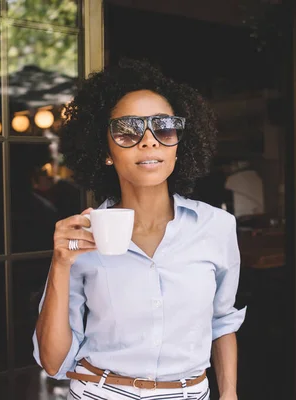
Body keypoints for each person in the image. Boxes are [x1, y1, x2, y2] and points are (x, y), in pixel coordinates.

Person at [33, 59, 246, 400]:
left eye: (163, 128)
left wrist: (230, 394)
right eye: (128, 130)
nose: (148, 141)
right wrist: (60, 265)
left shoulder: (216, 226)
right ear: (105, 151)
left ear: (179, 143)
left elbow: (221, 321)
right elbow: (53, 361)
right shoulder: (82, 236)